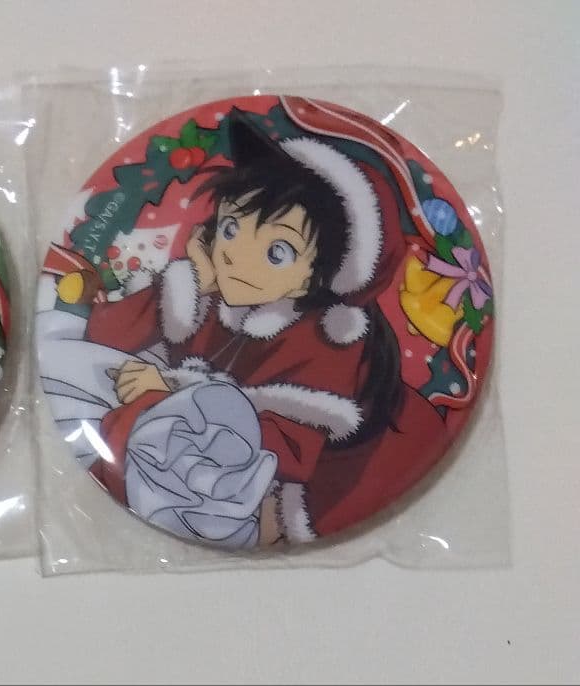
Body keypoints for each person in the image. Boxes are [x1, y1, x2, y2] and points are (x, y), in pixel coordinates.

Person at [80, 110, 445, 544]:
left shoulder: (331, 340)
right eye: (231, 227)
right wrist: (191, 281)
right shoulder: (216, 295)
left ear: (322, 276)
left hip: (336, 486)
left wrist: (171, 395)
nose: (234, 256)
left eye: (277, 252)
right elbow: (100, 337)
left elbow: (284, 451)